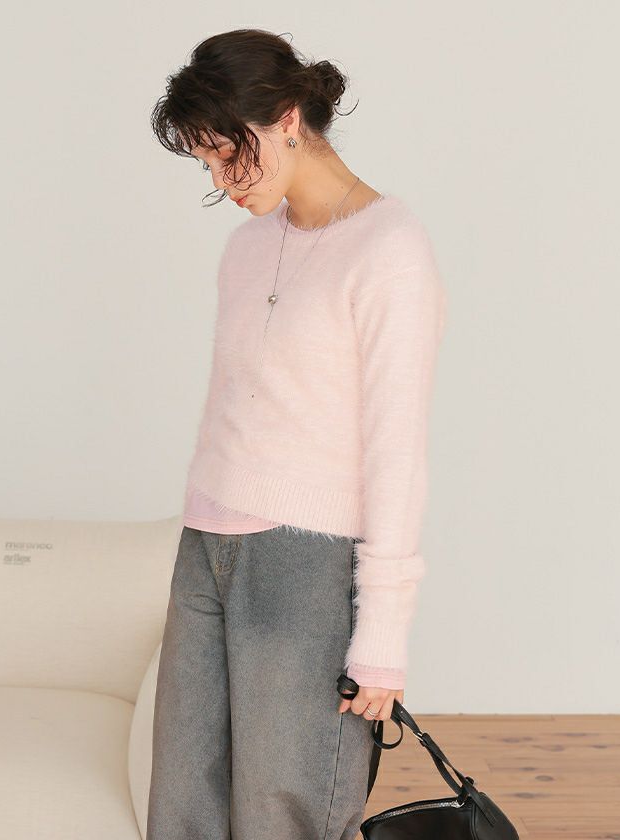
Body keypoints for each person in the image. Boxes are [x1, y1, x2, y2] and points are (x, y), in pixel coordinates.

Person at [146, 27, 447, 840]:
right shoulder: (246, 249)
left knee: (286, 810)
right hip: (206, 547)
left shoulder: (389, 249)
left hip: (306, 564)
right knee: (183, 806)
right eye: (205, 165)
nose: (221, 182)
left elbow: (396, 451)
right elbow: (232, 408)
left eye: (227, 156)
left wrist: (382, 633)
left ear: (285, 118)